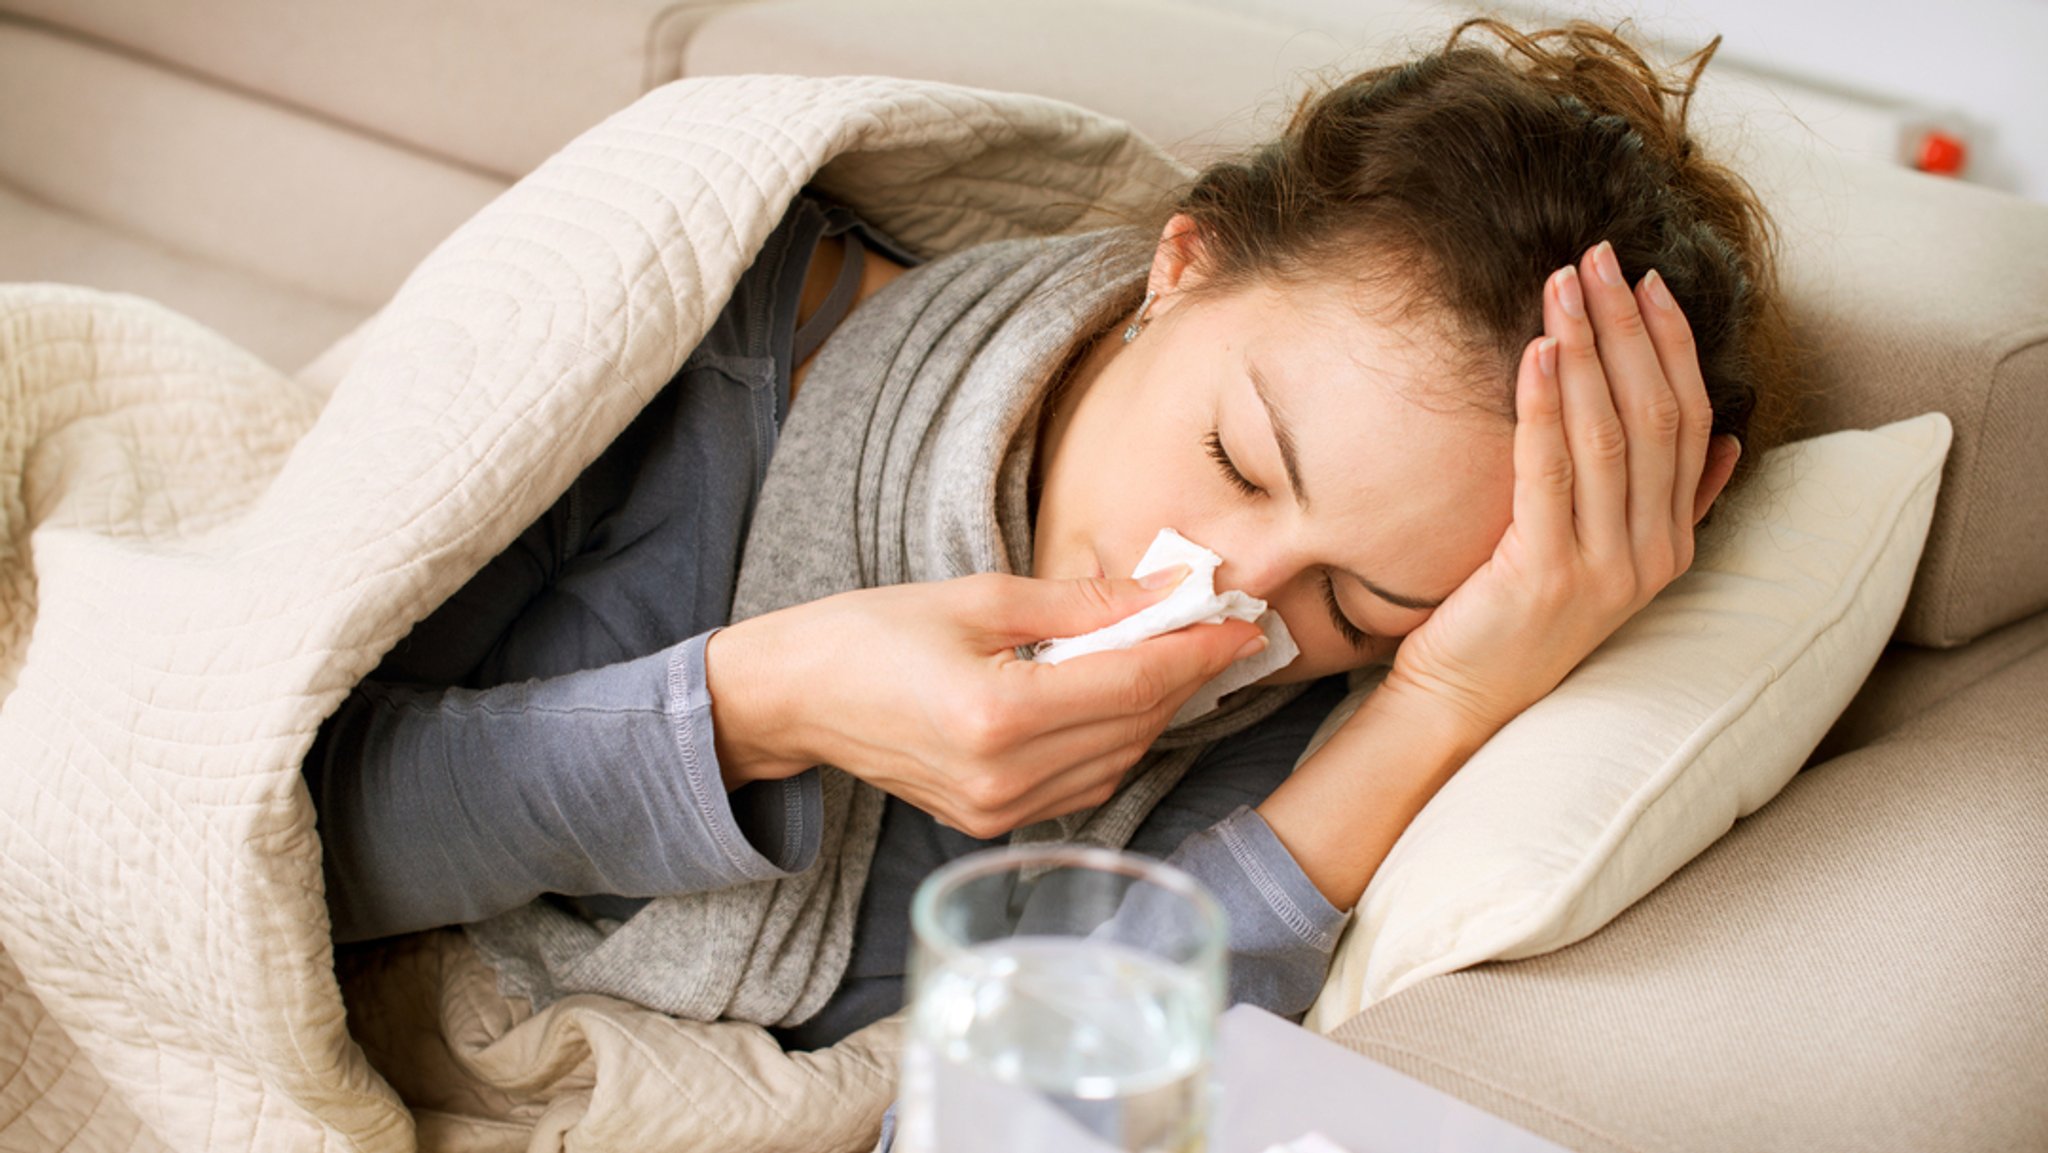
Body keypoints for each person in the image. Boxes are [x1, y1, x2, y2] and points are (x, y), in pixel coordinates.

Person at [305, 18, 1794, 1051]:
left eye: (1362, 593)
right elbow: (274, 826)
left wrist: (1437, 700)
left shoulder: (1303, 694)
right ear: (1181, 269)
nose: (1226, 602)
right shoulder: (683, 341)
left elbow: (1031, 1098)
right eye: (1237, 457)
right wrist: (762, 704)